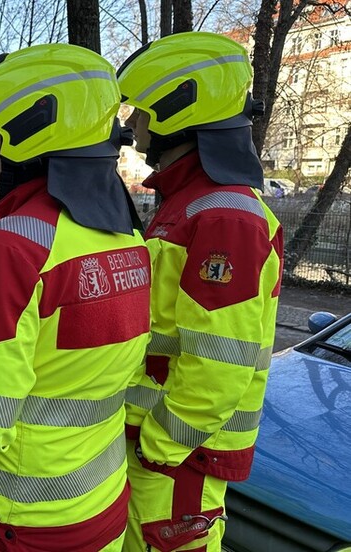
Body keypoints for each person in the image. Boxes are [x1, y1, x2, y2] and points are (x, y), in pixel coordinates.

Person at [0, 44, 151, 551]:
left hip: (13, 522)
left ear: (32, 137)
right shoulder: (126, 236)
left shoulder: (12, 245)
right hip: (101, 507)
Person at [116, 32, 283, 552]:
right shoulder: (193, 202)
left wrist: (161, 447)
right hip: (159, 450)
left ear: (177, 111)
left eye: (141, 109)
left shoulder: (224, 215)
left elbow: (218, 364)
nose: (131, 123)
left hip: (177, 458)